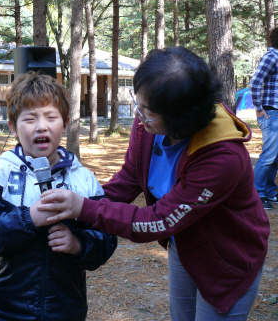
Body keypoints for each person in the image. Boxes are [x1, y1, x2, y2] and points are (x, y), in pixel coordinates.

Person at [39, 47, 270, 320]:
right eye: (138, 103)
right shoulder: (149, 126)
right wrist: (79, 201)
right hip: (186, 244)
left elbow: (159, 220)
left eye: (147, 111)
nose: (138, 115)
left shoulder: (222, 157)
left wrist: (83, 209)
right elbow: (129, 179)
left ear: (180, 118)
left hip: (228, 256)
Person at [0, 72, 117, 321]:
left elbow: (106, 239)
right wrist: (29, 218)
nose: (41, 126)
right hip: (4, 310)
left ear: (66, 123)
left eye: (50, 117)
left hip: (65, 309)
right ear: (13, 127)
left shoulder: (83, 178)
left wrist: (78, 245)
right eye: (30, 118)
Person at [250, 26, 278, 210]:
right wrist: (259, 108)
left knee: (275, 157)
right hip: (271, 112)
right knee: (268, 156)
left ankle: (269, 192)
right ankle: (255, 193)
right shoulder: (272, 56)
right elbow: (255, 82)